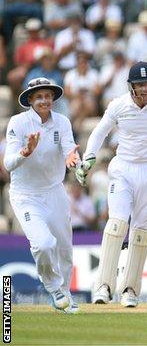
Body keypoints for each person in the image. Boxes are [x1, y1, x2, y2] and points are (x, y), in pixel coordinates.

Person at [75, 61, 147, 307]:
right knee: (117, 224)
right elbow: (100, 131)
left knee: (141, 232)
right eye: (140, 84)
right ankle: (103, 286)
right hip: (123, 168)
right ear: (131, 86)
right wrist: (90, 156)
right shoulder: (118, 105)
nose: (145, 89)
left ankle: (130, 290)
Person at [4, 77, 80, 313]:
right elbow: (8, 163)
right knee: (44, 244)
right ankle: (55, 289)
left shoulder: (62, 122)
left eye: (47, 96)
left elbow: (69, 149)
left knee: (65, 249)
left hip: (55, 191)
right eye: (39, 96)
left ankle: (65, 296)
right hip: (26, 195)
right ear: (30, 100)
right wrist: (25, 152)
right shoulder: (17, 123)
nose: (44, 100)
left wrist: (71, 158)